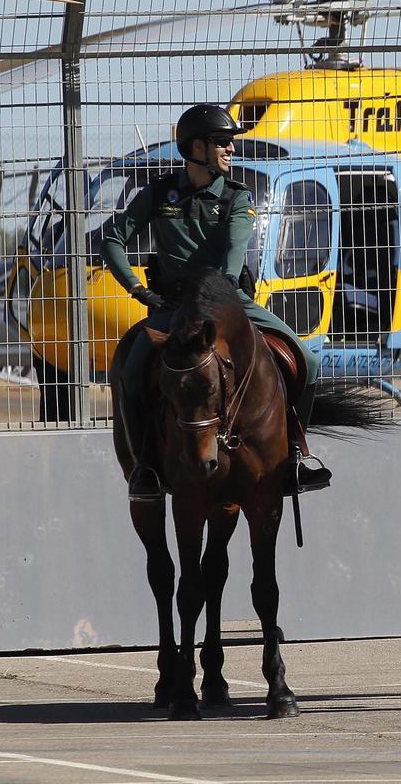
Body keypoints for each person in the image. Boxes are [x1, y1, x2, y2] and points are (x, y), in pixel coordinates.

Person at [100, 103, 331, 502]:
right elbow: (112, 241)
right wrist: (139, 291)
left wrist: (217, 294)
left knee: (308, 361)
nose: (231, 150)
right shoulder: (159, 193)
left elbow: (232, 261)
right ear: (196, 147)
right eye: (223, 142)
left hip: (228, 301)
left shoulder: (237, 198)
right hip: (172, 306)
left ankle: (294, 456)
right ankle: (145, 468)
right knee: (133, 371)